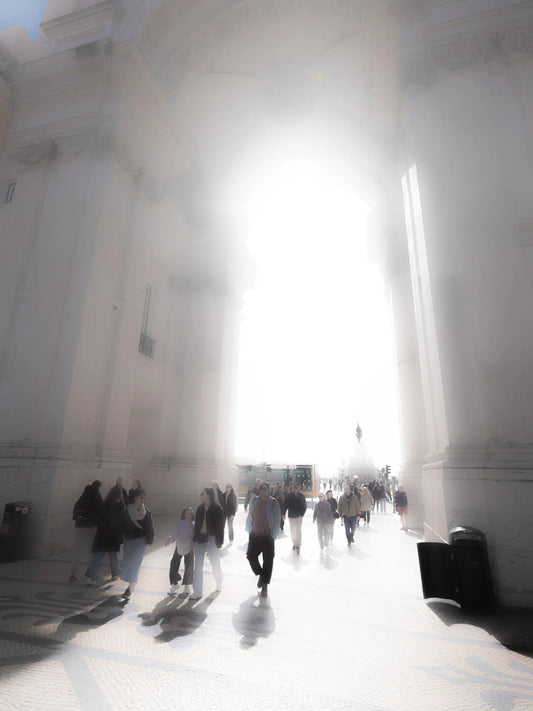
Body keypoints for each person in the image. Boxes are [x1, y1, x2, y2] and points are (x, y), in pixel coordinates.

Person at [245, 481, 281, 597]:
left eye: (265, 489)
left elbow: (277, 520)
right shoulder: (255, 500)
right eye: (260, 489)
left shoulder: (273, 503)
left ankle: (264, 585)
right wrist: (250, 530)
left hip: (267, 537)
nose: (262, 491)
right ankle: (261, 573)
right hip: (255, 535)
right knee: (250, 556)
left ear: (269, 490)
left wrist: (273, 536)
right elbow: (250, 515)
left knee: (268, 561)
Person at [86, 485, 125, 584]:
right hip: (113, 534)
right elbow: (122, 519)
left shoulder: (105, 502)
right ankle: (116, 573)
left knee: (98, 556)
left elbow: (99, 517)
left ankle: (91, 577)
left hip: (102, 533)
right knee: (113, 554)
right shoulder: (119, 504)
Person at [120, 488, 154, 599]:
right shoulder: (127, 510)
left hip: (140, 540)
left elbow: (149, 527)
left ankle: (130, 588)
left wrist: (150, 541)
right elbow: (122, 525)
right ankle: (131, 584)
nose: (143, 500)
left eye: (144, 497)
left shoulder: (146, 512)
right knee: (127, 562)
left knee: (135, 562)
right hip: (129, 540)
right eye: (141, 497)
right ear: (135, 498)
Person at [191, 487, 224, 599]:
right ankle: (198, 591)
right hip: (200, 538)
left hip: (212, 539)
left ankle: (218, 581)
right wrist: (194, 539)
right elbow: (196, 525)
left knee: (215, 563)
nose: (201, 496)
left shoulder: (217, 509)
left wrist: (219, 542)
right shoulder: (200, 508)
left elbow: (221, 527)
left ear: (208, 495)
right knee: (198, 566)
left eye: (203, 494)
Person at [69, 480, 103, 582]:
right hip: (91, 528)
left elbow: (74, 515)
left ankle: (73, 574)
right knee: (90, 551)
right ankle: (89, 571)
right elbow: (101, 512)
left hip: (79, 527)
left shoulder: (81, 500)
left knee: (76, 550)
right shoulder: (97, 498)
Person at [166, 506, 195, 595]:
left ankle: (187, 585)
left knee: (189, 566)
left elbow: (195, 535)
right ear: (185, 514)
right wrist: (169, 540)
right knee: (174, 563)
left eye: (192, 511)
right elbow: (175, 534)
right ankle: (175, 584)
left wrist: (195, 543)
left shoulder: (194, 524)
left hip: (190, 547)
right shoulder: (181, 523)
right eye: (189, 512)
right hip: (179, 546)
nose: (191, 513)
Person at [285, 482, 307, 553]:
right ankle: (294, 543)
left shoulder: (301, 496)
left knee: (298, 530)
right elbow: (286, 505)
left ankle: (298, 545)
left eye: (297, 487)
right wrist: (283, 514)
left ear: (299, 488)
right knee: (292, 531)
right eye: (294, 487)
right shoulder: (289, 495)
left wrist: (302, 514)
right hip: (291, 516)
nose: (295, 489)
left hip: (298, 516)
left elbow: (304, 506)